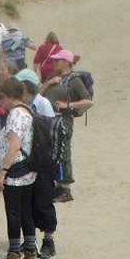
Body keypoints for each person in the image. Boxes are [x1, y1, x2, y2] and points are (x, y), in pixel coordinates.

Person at [0, 78, 39, 259]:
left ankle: (14, 255)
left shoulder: (14, 115)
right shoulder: (27, 111)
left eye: (0, 98)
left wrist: (2, 172)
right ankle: (31, 253)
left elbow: (14, 146)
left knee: (13, 214)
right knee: (26, 212)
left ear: (6, 97)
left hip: (15, 171)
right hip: (28, 171)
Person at [40, 49, 93, 202]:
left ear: (66, 62)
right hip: (49, 121)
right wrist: (49, 83)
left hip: (63, 121)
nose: (54, 63)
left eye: (57, 60)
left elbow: (88, 101)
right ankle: (56, 186)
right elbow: (38, 94)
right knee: (51, 152)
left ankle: (65, 189)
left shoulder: (74, 80)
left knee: (63, 152)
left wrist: (67, 105)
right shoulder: (52, 77)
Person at [15, 69, 58, 259]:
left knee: (43, 201)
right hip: (26, 162)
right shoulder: (18, 106)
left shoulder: (42, 103)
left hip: (42, 162)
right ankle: (29, 239)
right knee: (28, 202)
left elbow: (49, 131)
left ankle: (48, 240)